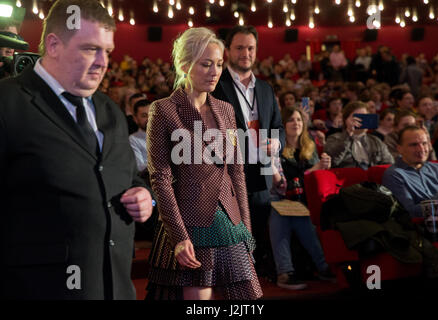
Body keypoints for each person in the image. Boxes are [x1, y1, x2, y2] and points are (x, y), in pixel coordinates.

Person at [0, 0, 153, 300]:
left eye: (107, 51)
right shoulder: (8, 104)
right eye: (89, 48)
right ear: (54, 45)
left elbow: (121, 175)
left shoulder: (109, 109)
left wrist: (142, 194)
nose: (103, 62)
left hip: (116, 288)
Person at [145, 27, 262, 300]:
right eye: (206, 64)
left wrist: (245, 225)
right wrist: (178, 235)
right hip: (189, 221)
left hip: (230, 219)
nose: (214, 71)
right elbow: (160, 178)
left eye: (219, 64)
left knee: (248, 298)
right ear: (185, 65)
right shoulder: (163, 110)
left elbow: (237, 172)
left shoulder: (226, 109)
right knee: (199, 300)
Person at [212, 25, 285, 277]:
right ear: (227, 51)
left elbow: (278, 127)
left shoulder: (265, 89)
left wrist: (277, 143)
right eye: (240, 47)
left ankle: (257, 272)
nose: (246, 53)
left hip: (262, 172)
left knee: (259, 231)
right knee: (235, 234)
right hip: (230, 175)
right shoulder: (215, 86)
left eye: (251, 48)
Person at [269, 106, 334, 290]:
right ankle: (319, 267)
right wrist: (315, 169)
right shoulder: (276, 148)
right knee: (282, 212)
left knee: (292, 215)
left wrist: (323, 167)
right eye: (290, 120)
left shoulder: (309, 146)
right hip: (281, 198)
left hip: (304, 200)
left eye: (298, 119)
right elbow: (284, 183)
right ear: (282, 124)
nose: (296, 123)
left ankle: (285, 272)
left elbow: (311, 180)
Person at [382, 126, 438, 238]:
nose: (421, 149)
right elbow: (410, 212)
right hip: (428, 229)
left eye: (424, 143)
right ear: (399, 149)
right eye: (414, 145)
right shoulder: (394, 175)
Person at [324, 101, 394, 169]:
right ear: (346, 120)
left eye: (364, 117)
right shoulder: (334, 138)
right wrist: (348, 134)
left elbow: (389, 163)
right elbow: (333, 162)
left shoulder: (375, 140)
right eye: (357, 117)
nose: (361, 120)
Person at [129, 98, 151, 173]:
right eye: (144, 116)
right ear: (135, 119)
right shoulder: (133, 139)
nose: (149, 119)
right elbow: (140, 167)